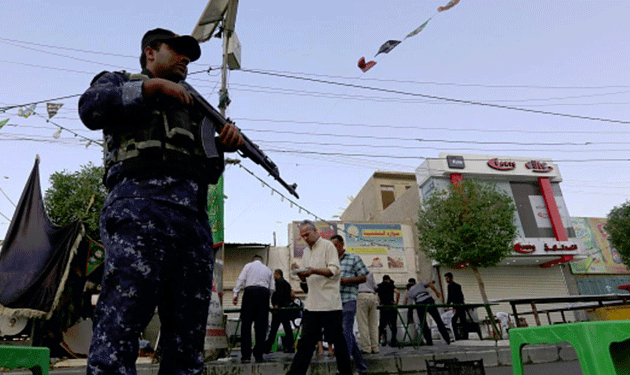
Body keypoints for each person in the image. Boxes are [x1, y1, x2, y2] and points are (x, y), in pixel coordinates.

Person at [79, 28, 243, 375]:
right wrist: (150, 88)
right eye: (177, 51)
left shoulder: (198, 109)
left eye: (190, 56)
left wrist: (222, 144)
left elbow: (209, 172)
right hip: (139, 208)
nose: (185, 59)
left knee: (187, 332)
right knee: (123, 317)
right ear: (151, 52)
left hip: (192, 220)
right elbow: (89, 108)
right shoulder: (121, 80)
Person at [287, 220, 352, 375]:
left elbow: (334, 271)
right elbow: (306, 279)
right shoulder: (306, 252)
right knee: (306, 343)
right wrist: (300, 273)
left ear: (315, 231)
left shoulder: (328, 246)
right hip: (312, 304)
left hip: (330, 303)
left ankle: (346, 372)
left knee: (338, 342)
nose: (305, 238)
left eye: (307, 234)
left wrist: (313, 270)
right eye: (302, 236)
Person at [331, 234, 369, 374]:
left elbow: (364, 277)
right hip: (334, 300)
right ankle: (361, 366)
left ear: (341, 244)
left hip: (349, 298)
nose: (333, 249)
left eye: (335, 245)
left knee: (345, 330)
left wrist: (347, 281)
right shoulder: (331, 262)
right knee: (346, 333)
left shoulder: (354, 258)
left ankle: (344, 367)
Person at [233, 254, 274, 363]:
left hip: (250, 293)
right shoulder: (268, 270)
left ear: (253, 260)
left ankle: (246, 355)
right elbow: (272, 288)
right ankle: (258, 355)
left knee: (246, 325)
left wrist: (235, 294)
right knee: (261, 326)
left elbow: (241, 279)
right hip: (264, 294)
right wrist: (267, 299)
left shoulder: (248, 266)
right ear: (262, 261)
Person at [406, 279, 451, 345]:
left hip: (420, 303)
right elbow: (430, 284)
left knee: (423, 323)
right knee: (438, 320)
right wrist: (437, 293)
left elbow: (409, 304)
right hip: (428, 299)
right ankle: (447, 338)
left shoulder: (409, 291)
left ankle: (429, 341)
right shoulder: (420, 284)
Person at [264, 269, 295, 353]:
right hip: (285, 309)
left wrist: (275, 305)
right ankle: (290, 346)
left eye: (275, 274)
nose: (274, 276)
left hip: (278, 310)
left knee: (273, 330)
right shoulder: (287, 284)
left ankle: (267, 347)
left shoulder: (278, 283)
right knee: (287, 328)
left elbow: (277, 295)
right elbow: (290, 296)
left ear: (278, 275)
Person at [356, 271, 379, 354]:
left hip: (361, 295)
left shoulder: (354, 271)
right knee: (373, 324)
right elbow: (375, 287)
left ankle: (366, 348)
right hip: (372, 296)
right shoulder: (370, 272)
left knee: (363, 323)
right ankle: (375, 347)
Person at [376, 275, 400, 347]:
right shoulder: (391, 285)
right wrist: (396, 302)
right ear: (389, 279)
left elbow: (377, 295)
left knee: (382, 325)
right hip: (391, 306)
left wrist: (380, 302)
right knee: (393, 325)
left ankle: (377, 341)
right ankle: (393, 341)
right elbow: (398, 293)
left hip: (383, 307)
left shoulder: (379, 285)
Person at [444, 272, 467, 340]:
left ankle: (464, 335)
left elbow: (458, 296)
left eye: (447, 278)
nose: (446, 280)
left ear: (451, 278)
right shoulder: (449, 286)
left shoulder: (457, 286)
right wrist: (447, 305)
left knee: (462, 320)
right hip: (455, 305)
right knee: (455, 320)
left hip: (459, 305)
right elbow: (449, 296)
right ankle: (457, 335)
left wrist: (450, 303)